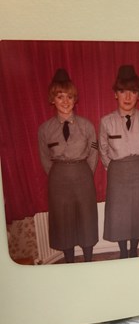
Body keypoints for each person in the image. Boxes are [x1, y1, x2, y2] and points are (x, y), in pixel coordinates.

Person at [38, 68, 98, 263]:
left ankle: (88, 261)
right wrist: (60, 173)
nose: (65, 102)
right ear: (52, 99)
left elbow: (94, 153)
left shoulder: (87, 126)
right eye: (60, 96)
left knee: (86, 218)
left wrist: (83, 172)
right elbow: (45, 158)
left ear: (75, 99)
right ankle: (69, 263)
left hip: (83, 175)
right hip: (58, 179)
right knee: (64, 222)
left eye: (69, 97)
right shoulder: (45, 129)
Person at [99, 65, 139, 258]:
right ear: (116, 94)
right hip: (117, 171)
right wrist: (114, 166)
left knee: (138, 212)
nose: (128, 97)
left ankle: (134, 250)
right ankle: (123, 252)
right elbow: (103, 150)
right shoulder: (106, 121)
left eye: (133, 92)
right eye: (123, 91)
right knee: (120, 214)